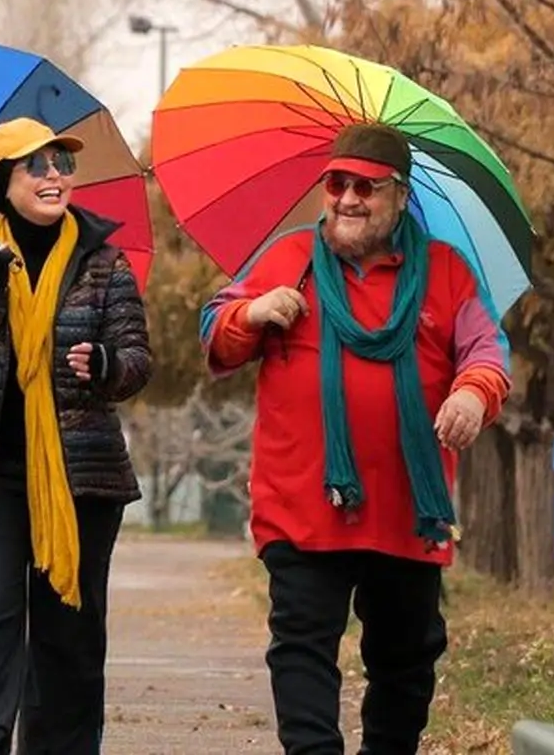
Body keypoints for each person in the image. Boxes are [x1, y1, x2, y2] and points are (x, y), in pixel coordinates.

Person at [199, 123, 511, 755]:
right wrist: (251, 313)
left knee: (407, 660)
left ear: (399, 195)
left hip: (406, 513)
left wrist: (472, 394)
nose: (347, 198)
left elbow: (488, 351)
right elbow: (216, 334)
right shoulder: (287, 259)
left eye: (365, 187)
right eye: (336, 183)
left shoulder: (446, 273)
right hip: (302, 506)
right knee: (302, 647)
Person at [0, 116, 152, 754]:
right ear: (3, 184)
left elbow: (136, 361)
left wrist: (105, 364)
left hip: (81, 485)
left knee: (68, 639)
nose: (56, 176)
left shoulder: (103, 262)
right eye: (38, 166)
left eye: (63, 164)